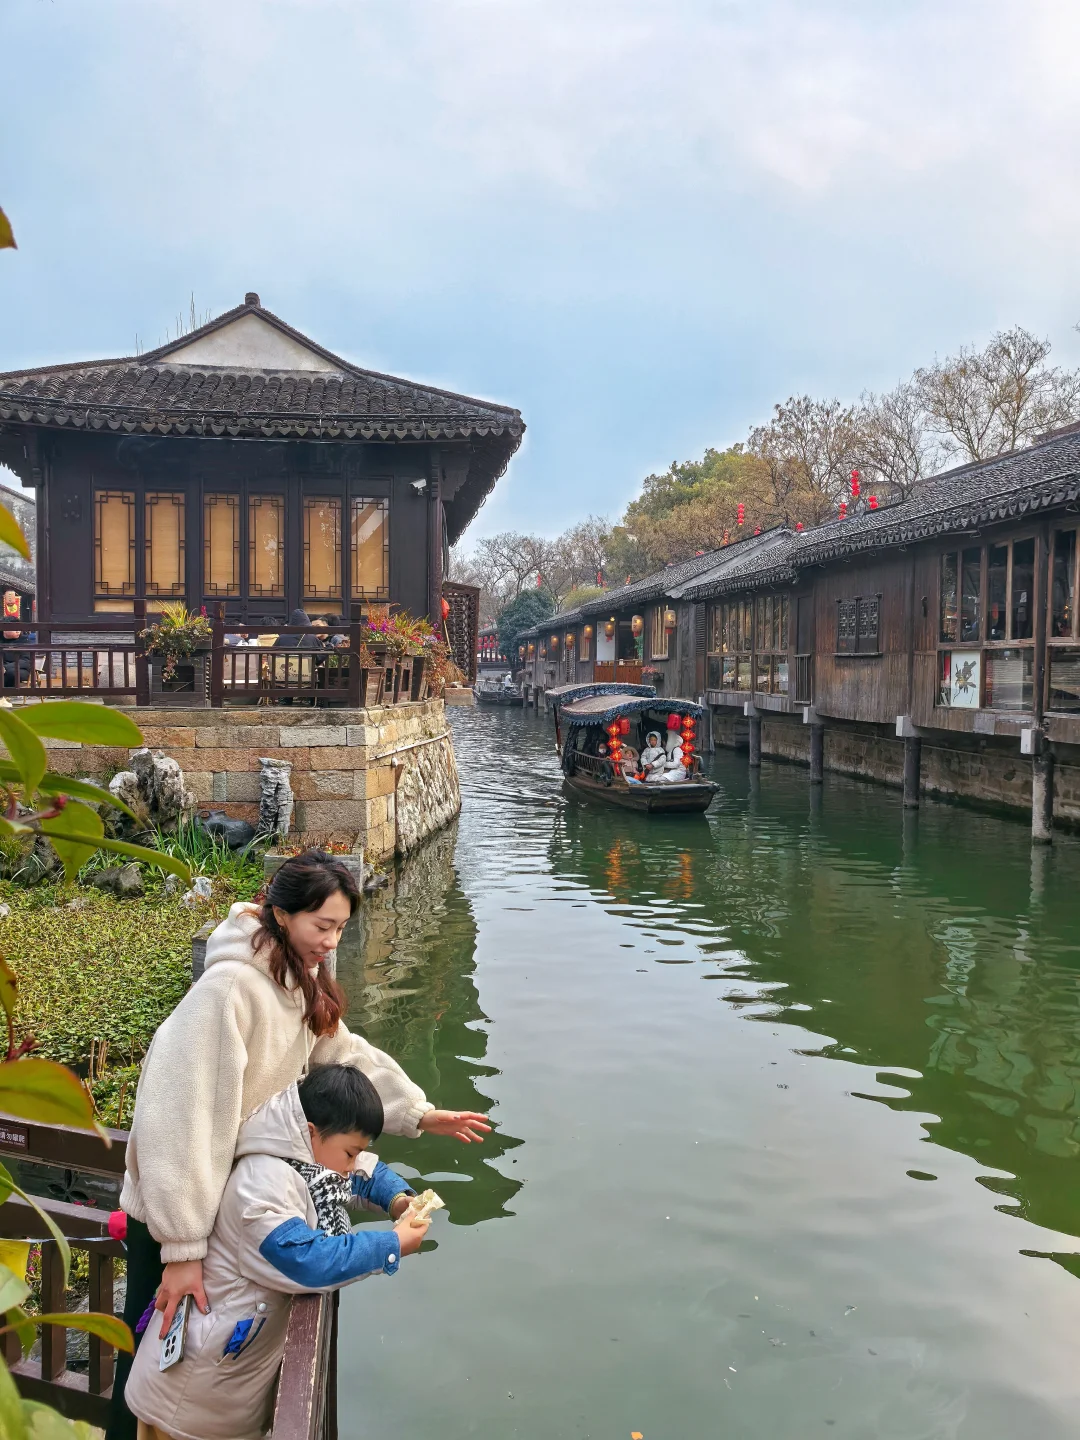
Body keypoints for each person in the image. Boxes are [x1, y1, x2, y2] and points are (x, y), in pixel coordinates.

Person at [107, 851, 488, 1440]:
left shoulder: (294, 983)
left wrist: (418, 1112)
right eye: (322, 926)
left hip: (230, 1209)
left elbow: (343, 1056)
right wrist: (180, 1249)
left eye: (341, 928)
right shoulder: (229, 991)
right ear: (282, 914)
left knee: (175, 1363)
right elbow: (181, 1118)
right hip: (181, 1219)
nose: (332, 942)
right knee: (152, 1370)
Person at [125, 1064, 427, 1440]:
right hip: (190, 1398)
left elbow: (364, 1173)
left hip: (218, 1389)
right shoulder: (262, 1184)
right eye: (350, 1153)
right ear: (312, 1132)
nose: (353, 1166)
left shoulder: (300, 1155)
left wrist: (398, 1199)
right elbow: (307, 1261)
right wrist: (391, 1245)